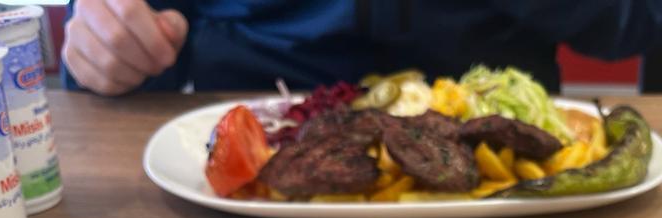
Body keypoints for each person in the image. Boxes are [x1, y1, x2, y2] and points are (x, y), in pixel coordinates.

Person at [62, 0, 662, 96]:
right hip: (247, 152)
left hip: (516, 181)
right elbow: (124, 35)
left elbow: (637, 25)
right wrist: (108, 41)